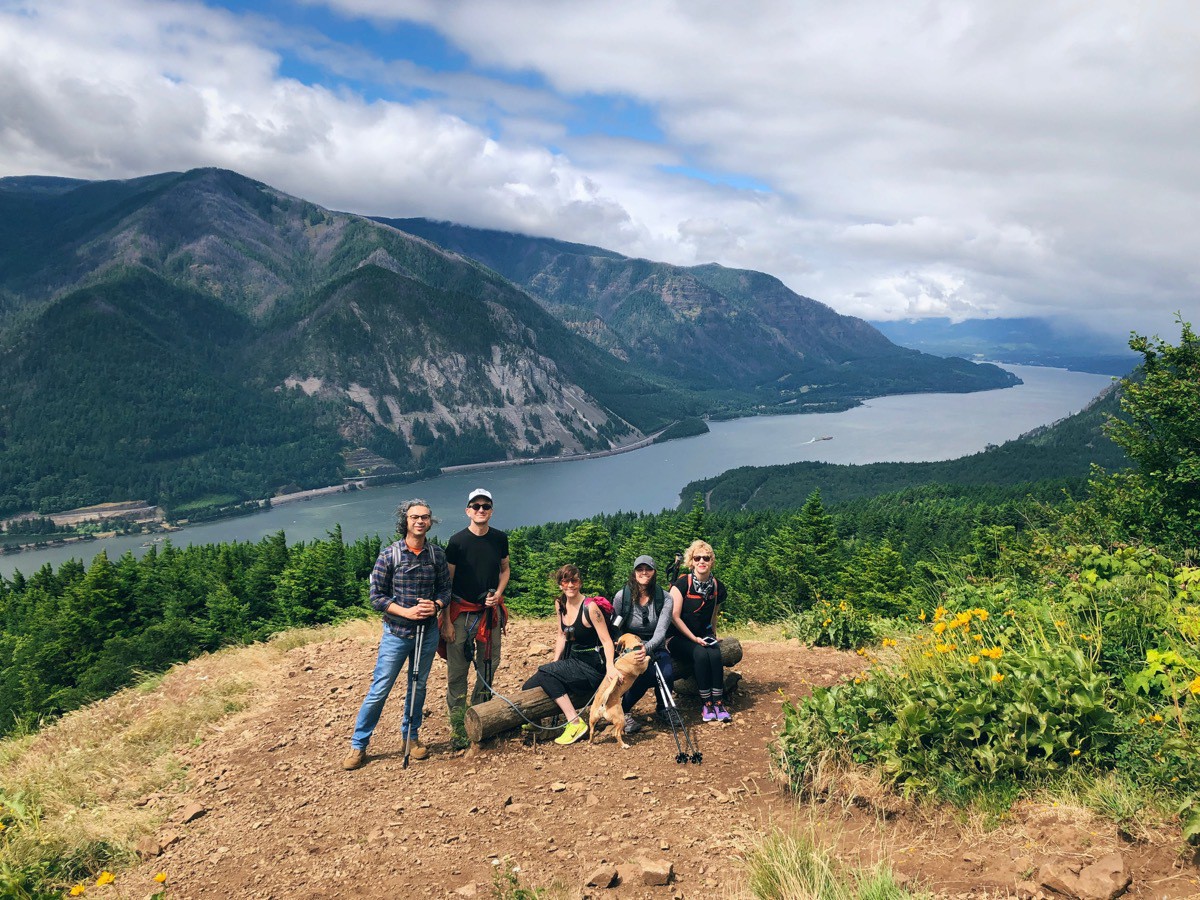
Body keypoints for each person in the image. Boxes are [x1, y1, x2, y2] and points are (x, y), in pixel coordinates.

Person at [343, 499, 451, 769]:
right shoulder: (389, 555)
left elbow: (446, 591)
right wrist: (405, 612)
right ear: (405, 521)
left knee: (418, 687)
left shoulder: (437, 555)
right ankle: (359, 745)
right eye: (415, 517)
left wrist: (436, 605)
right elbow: (376, 596)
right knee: (380, 689)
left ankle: (411, 738)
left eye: (425, 517)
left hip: (427, 633)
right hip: (397, 633)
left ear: (430, 521)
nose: (420, 522)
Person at [521, 564, 620, 745]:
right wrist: (554, 663)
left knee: (546, 674)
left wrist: (610, 667)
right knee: (528, 686)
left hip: (592, 665)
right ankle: (535, 723)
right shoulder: (560, 604)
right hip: (573, 660)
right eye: (565, 581)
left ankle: (574, 722)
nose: (570, 585)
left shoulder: (590, 608)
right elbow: (561, 635)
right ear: (560, 584)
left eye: (574, 580)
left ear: (580, 582)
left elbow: (606, 640)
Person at [441, 488, 510, 745]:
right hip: (461, 613)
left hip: (489, 613)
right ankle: (459, 728)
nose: (481, 510)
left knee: (488, 665)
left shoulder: (499, 538)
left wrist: (499, 594)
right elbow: (447, 582)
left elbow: (505, 569)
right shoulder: (457, 542)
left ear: (491, 510)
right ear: (468, 510)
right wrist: (446, 620)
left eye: (486, 506)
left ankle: (479, 718)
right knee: (457, 671)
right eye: (476, 506)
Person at [667, 540, 730, 723]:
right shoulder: (682, 584)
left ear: (711, 561)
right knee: (701, 654)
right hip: (676, 637)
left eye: (706, 558)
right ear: (691, 561)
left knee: (715, 654)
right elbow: (674, 617)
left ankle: (718, 702)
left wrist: (714, 635)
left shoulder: (717, 586)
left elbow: (713, 615)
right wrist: (694, 639)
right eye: (697, 558)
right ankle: (707, 704)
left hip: (702, 634)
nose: (702, 561)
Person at [610, 555, 675, 734]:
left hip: (655, 645)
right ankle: (624, 710)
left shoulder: (665, 598)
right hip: (629, 647)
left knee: (666, 674)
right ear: (634, 572)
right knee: (640, 675)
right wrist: (626, 650)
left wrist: (647, 648)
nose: (643, 572)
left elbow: (661, 630)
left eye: (648, 569)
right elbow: (616, 626)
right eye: (640, 569)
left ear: (654, 572)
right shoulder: (623, 596)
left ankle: (664, 708)